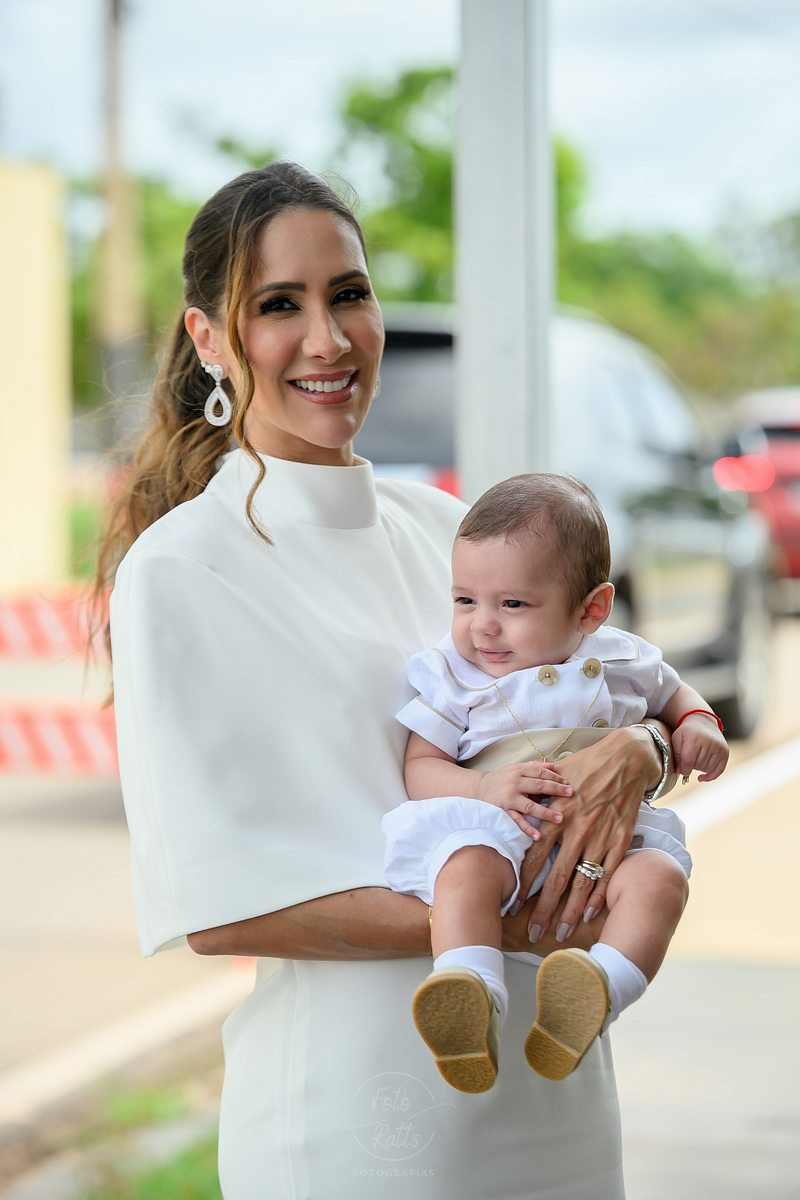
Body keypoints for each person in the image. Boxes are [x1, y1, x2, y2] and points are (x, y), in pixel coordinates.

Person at [98, 160, 675, 1200]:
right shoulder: (182, 570)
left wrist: (646, 749)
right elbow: (222, 909)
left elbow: (595, 698)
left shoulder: (447, 528)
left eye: (348, 294)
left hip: (557, 1095)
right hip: (364, 1123)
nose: (327, 340)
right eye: (279, 305)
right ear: (210, 340)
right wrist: (515, 919)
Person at [383, 473, 728, 1094]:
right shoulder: (452, 675)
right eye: (465, 600)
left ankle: (598, 990)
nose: (483, 626)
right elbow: (420, 768)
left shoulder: (623, 656)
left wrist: (699, 721)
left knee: (661, 880)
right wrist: (484, 789)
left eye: (512, 605)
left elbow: (675, 692)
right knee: (464, 869)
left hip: (609, 843)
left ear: (591, 609)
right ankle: (469, 989)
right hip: (500, 827)